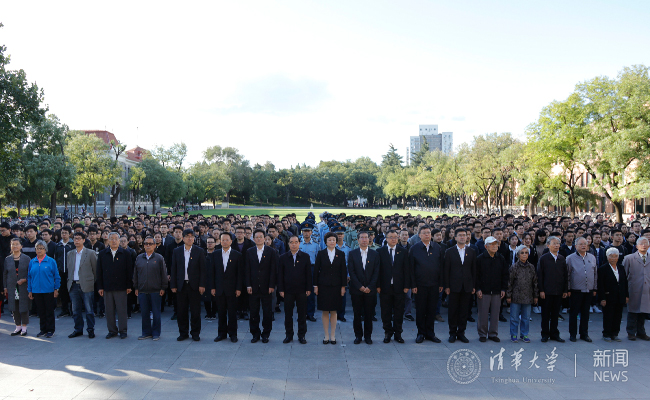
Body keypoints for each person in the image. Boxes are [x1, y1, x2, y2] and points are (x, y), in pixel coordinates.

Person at [409, 225, 444, 343]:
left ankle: (430, 333)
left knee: (431, 310)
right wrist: (413, 285)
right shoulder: (414, 248)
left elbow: (441, 266)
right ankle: (421, 333)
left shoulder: (437, 247)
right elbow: (411, 268)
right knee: (420, 310)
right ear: (419, 235)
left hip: (434, 284)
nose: (427, 235)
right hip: (420, 285)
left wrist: (441, 283)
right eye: (424, 233)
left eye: (428, 232)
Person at [171, 229, 207, 341]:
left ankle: (195, 333)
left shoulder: (199, 251)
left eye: (192, 236)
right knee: (181, 311)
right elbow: (174, 269)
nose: (190, 238)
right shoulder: (177, 251)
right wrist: (173, 285)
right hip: (181, 285)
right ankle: (183, 333)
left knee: (195, 311)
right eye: (187, 236)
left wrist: (202, 285)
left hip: (194, 286)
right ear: (183, 238)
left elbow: (203, 270)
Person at [97, 232, 134, 339]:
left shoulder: (125, 253)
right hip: (107, 287)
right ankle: (112, 331)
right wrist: (100, 287)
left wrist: (129, 286)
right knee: (109, 311)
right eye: (111, 239)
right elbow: (99, 272)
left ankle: (123, 330)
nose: (113, 241)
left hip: (121, 287)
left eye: (116, 239)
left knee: (122, 310)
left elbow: (129, 271)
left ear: (119, 241)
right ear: (108, 240)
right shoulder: (102, 254)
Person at [245, 229, 279, 343]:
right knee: (253, 312)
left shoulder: (271, 251)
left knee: (267, 312)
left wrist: (272, 285)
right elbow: (247, 269)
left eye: (261, 237)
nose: (259, 239)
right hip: (253, 287)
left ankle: (266, 334)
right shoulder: (249, 251)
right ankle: (255, 333)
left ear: (264, 238)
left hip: (267, 287)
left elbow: (273, 269)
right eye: (257, 237)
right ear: (253, 239)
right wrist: (248, 285)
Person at [313, 231, 347, 345]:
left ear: (336, 241)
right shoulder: (321, 254)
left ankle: (333, 335)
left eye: (333, 240)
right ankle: (326, 335)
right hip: (323, 286)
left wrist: (343, 286)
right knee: (325, 310)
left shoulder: (341, 254)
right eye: (329, 240)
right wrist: (315, 286)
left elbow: (343, 271)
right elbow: (316, 270)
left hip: (336, 286)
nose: (332, 242)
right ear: (326, 242)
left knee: (333, 310)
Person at [444, 228, 477, 344]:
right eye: (460, 235)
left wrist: (473, 286)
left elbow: (474, 270)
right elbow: (446, 270)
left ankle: (461, 333)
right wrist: (447, 286)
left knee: (464, 311)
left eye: (464, 235)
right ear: (455, 238)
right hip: (453, 286)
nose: (463, 237)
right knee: (453, 311)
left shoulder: (472, 251)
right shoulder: (449, 251)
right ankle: (452, 333)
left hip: (467, 286)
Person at [278, 235, 312, 344]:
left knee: (302, 314)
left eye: (296, 242)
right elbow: (280, 275)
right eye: (291, 242)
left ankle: (301, 335)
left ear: (299, 243)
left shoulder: (305, 257)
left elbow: (308, 274)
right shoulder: (283, 257)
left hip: (302, 290)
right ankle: (289, 335)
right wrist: (281, 289)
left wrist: (308, 288)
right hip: (288, 290)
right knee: (288, 314)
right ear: (288, 244)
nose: (294, 244)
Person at [377, 230, 409, 343]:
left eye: (395, 237)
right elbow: (377, 270)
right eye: (391, 237)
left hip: (399, 287)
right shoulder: (380, 251)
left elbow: (407, 270)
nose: (393, 239)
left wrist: (407, 285)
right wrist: (378, 285)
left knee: (399, 311)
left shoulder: (403, 251)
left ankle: (398, 333)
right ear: (386, 239)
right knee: (385, 312)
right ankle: (387, 332)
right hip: (384, 287)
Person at [348, 231, 380, 344]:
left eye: (366, 237)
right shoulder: (352, 254)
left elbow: (376, 272)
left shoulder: (375, 254)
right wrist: (360, 287)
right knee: (357, 314)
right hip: (356, 290)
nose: (364, 240)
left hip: (370, 290)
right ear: (358, 240)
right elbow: (351, 272)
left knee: (368, 314)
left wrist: (370, 287)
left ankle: (368, 336)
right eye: (362, 237)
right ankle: (358, 336)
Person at [133, 236, 167, 340]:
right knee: (144, 313)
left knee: (156, 313)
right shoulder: (139, 258)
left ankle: (156, 333)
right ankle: (146, 332)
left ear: (154, 245)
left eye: (150, 243)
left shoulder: (159, 258)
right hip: (142, 290)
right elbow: (135, 274)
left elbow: (164, 274)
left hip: (156, 290)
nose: (148, 245)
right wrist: (136, 287)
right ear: (143, 245)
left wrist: (163, 287)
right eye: (146, 243)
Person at [211, 232, 243, 343]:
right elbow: (212, 272)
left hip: (232, 289)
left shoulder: (237, 255)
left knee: (232, 313)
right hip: (219, 288)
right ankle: (221, 334)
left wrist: (238, 288)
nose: (225, 242)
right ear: (220, 241)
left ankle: (233, 334)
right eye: (222, 240)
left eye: (227, 240)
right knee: (221, 312)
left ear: (231, 241)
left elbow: (240, 274)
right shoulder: (215, 254)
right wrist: (212, 287)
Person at [475, 236, 508, 342]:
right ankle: (482, 334)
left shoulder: (501, 258)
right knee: (483, 314)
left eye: (496, 244)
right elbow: (476, 276)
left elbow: (505, 275)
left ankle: (493, 333)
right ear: (486, 246)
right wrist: (478, 289)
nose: (494, 246)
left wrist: (503, 289)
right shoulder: (480, 258)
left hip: (497, 290)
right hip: (483, 291)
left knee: (495, 314)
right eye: (492, 244)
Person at [566, 237, 598, 342]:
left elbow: (595, 273)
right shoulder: (570, 258)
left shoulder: (592, 257)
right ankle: (573, 334)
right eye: (581, 244)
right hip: (575, 290)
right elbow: (567, 275)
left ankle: (584, 334)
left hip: (588, 290)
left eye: (585, 244)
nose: (583, 246)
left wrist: (595, 288)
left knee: (585, 313)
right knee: (574, 313)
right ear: (576, 246)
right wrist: (568, 289)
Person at [537, 236, 568, 343]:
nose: (556, 245)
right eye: (554, 243)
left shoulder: (562, 258)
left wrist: (565, 290)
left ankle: (554, 334)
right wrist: (541, 290)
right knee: (545, 314)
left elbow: (565, 276)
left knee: (555, 314)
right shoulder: (544, 258)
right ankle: (545, 334)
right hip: (547, 291)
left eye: (558, 243)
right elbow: (540, 275)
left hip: (558, 291)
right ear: (548, 245)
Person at [67, 231, 97, 339]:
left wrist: (92, 282)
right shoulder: (70, 254)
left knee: (89, 310)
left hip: (86, 284)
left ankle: (90, 330)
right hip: (73, 285)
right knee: (75, 310)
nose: (77, 240)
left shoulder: (90, 253)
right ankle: (78, 329)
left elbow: (95, 270)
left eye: (79, 238)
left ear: (84, 240)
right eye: (75, 238)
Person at [27, 240, 60, 338]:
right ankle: (43, 329)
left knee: (49, 311)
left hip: (49, 290)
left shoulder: (51, 261)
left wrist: (56, 289)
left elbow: (56, 276)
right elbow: (29, 277)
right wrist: (30, 290)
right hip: (36, 291)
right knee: (41, 312)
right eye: (37, 248)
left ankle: (50, 330)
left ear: (45, 249)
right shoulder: (32, 262)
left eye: (41, 248)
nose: (39, 250)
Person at [506, 245, 539, 343]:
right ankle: (514, 334)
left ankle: (524, 334)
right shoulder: (514, 267)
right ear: (518, 255)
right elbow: (509, 282)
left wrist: (535, 295)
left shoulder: (531, 267)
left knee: (526, 318)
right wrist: (508, 295)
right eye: (522, 253)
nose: (524, 255)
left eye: (526, 253)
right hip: (516, 296)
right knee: (514, 318)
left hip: (528, 296)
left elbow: (535, 282)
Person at [597, 248, 628, 342]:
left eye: (615, 256)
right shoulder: (603, 268)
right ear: (607, 257)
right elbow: (600, 285)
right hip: (608, 296)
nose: (613, 258)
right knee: (608, 316)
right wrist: (602, 298)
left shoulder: (621, 267)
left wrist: (626, 295)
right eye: (611, 256)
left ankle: (615, 333)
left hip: (620, 296)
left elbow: (624, 282)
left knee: (618, 316)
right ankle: (606, 334)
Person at [623, 236, 650, 341]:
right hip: (634, 289)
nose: (644, 245)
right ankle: (631, 332)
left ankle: (641, 332)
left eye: (645, 243)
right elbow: (624, 275)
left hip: (647, 289)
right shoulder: (629, 258)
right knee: (633, 311)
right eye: (641, 244)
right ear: (637, 246)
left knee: (643, 311)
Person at [3, 238, 31, 336]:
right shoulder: (7, 259)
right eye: (13, 244)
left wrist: (24, 280)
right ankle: (17, 327)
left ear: (21, 246)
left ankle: (24, 328)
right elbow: (5, 274)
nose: (15, 246)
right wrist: (5, 287)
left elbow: (30, 273)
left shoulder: (26, 258)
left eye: (17, 244)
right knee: (14, 307)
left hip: (23, 286)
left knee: (24, 307)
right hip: (12, 287)